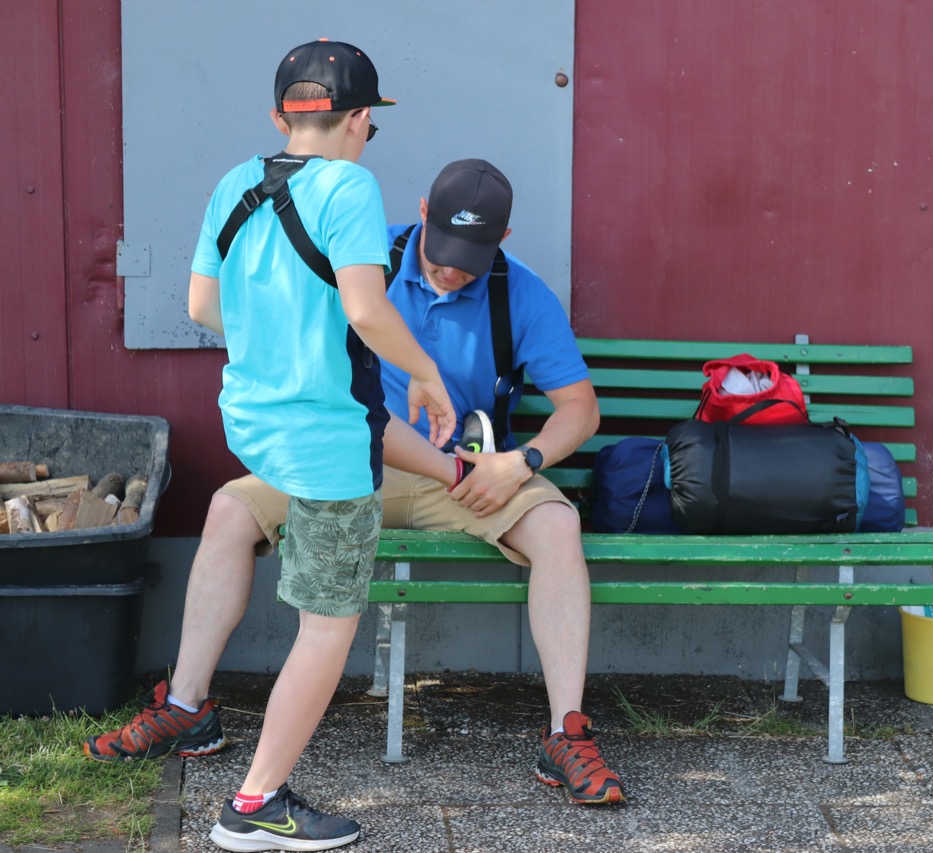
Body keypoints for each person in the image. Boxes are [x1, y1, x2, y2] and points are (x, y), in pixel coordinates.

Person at [84, 157, 626, 814]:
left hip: (463, 475)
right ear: (421, 213)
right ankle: (186, 708)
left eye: (469, 259)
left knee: (558, 524)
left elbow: (580, 409)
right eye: (441, 250)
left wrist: (523, 462)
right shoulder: (365, 263)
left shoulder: (523, 294)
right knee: (230, 509)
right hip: (347, 461)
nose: (449, 269)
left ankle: (566, 733)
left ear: (501, 240)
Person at [143, 39, 455, 852]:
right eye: (369, 126)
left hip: (254, 422)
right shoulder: (350, 186)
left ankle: (234, 761)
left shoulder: (233, 183)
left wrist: (277, 337)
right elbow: (366, 309)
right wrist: (426, 376)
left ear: (281, 117)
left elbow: (202, 306)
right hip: (327, 441)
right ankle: (255, 804)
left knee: (302, 581)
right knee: (327, 625)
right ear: (359, 119)